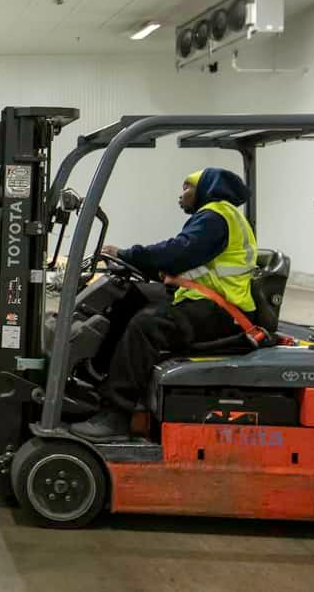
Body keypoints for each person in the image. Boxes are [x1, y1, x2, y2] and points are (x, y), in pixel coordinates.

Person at [69, 167, 257, 441]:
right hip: (202, 298)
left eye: (187, 187)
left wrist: (127, 253)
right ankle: (96, 374)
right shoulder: (216, 216)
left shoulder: (216, 216)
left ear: (207, 187)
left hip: (221, 310)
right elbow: (186, 262)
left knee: (146, 325)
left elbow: (177, 253)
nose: (181, 195)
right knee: (131, 296)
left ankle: (116, 415)